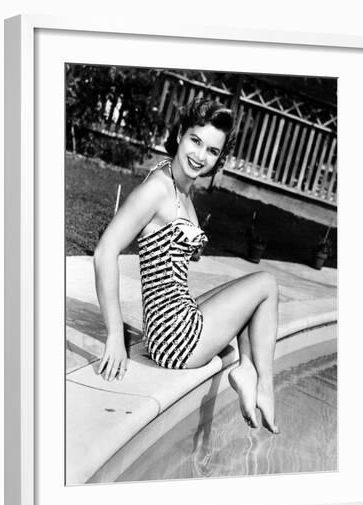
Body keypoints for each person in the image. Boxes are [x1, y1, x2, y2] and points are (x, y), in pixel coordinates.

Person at [94, 98, 280, 434]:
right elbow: (105, 251)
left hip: (173, 321)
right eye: (195, 141)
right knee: (265, 284)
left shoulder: (179, 185)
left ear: (219, 158)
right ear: (180, 134)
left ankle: (247, 368)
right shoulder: (158, 189)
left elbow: (166, 245)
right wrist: (113, 336)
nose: (200, 155)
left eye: (211, 150)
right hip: (176, 339)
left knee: (249, 296)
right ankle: (263, 384)